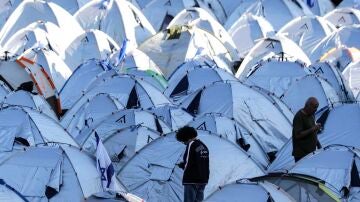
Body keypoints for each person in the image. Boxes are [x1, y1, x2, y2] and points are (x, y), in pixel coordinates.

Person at [176, 126, 209, 202]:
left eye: (183, 140)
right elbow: (198, 160)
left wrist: (182, 165)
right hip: (203, 179)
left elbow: (188, 161)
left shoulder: (191, 144)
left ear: (186, 137)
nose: (183, 143)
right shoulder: (202, 145)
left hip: (191, 179)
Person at [292, 97, 322, 162]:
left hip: (311, 152)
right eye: (314, 107)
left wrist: (318, 145)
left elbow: (313, 132)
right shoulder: (299, 116)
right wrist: (313, 128)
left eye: (317, 107)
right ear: (308, 106)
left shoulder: (312, 114)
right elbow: (298, 135)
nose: (316, 110)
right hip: (301, 154)